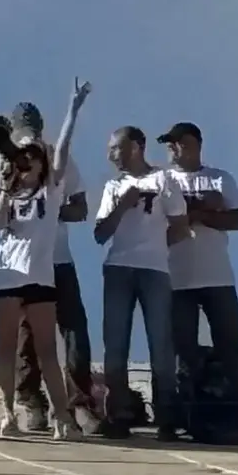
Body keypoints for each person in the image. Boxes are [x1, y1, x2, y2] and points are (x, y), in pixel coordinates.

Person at [0, 80, 92, 440]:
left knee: (48, 349)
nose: (28, 161)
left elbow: (61, 151)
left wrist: (72, 111)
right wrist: (3, 189)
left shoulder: (52, 188)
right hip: (5, 276)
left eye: (33, 157)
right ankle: (7, 413)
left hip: (40, 275)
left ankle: (62, 417)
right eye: (23, 157)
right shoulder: (10, 190)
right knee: (7, 348)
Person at [93, 126, 190, 440]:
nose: (111, 155)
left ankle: (166, 418)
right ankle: (118, 415)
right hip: (118, 268)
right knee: (116, 344)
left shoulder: (163, 180)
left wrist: (156, 249)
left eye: (116, 148)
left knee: (161, 343)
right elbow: (100, 234)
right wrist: (122, 204)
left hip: (154, 271)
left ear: (136, 147)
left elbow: (179, 224)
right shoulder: (113, 186)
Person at [159, 122, 238, 392]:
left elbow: (237, 219)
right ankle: (186, 407)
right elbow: (159, 223)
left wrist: (198, 215)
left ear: (196, 145)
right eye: (170, 144)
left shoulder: (219, 178)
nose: (174, 148)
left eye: (180, 142)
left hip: (217, 277)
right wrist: (200, 206)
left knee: (230, 342)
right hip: (177, 278)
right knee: (182, 347)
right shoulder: (161, 180)